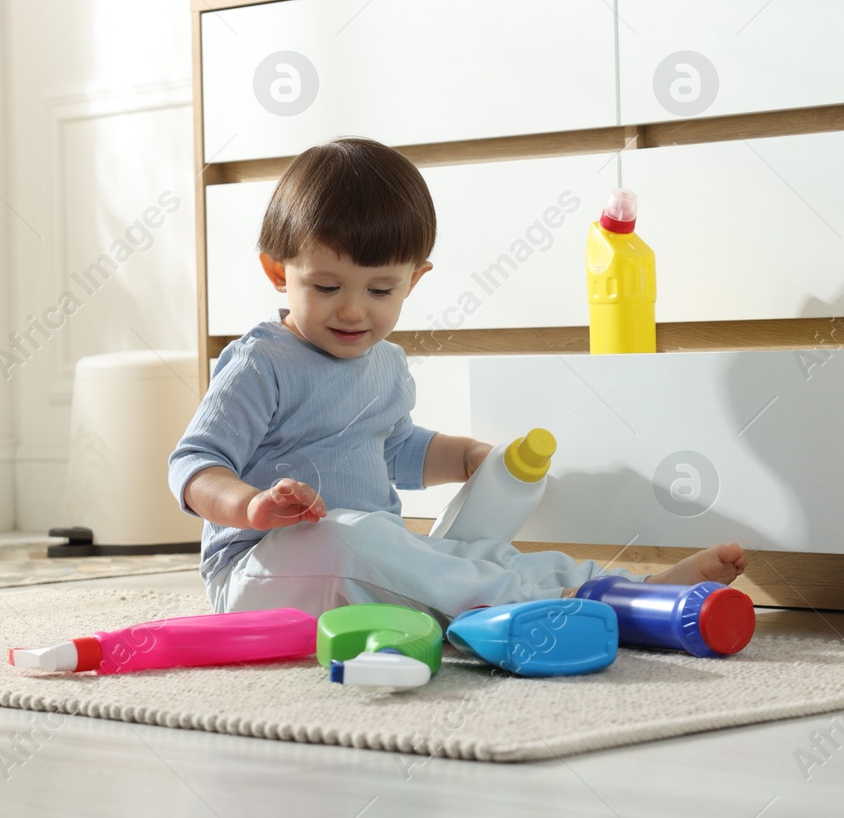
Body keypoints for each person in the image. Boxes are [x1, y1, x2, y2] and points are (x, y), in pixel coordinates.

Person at [168, 136, 747, 619]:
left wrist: (464, 456)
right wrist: (249, 505)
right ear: (277, 271)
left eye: (380, 290)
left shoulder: (386, 365)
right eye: (326, 288)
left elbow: (393, 448)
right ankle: (549, 607)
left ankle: (626, 590)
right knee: (356, 537)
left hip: (364, 561)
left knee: (470, 552)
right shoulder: (262, 363)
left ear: (413, 282)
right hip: (259, 576)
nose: (352, 311)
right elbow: (193, 465)